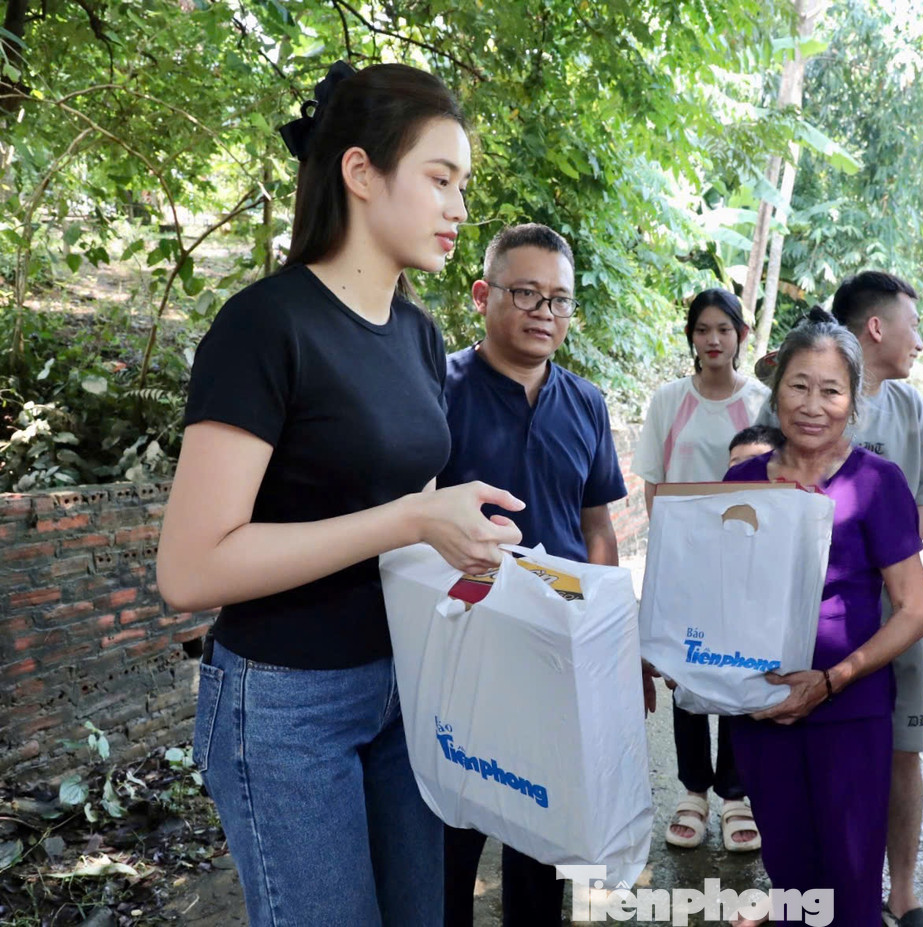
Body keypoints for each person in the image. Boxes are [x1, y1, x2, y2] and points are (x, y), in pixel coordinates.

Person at [156, 62, 524, 926]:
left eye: (462, 186)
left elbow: (417, 513)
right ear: (361, 173)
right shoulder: (265, 326)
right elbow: (190, 568)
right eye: (440, 179)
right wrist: (408, 517)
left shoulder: (419, 335)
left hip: (403, 681)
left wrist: (459, 549)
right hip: (284, 703)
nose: (459, 210)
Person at [435, 224, 631, 926]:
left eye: (560, 300)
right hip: (462, 656)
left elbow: (596, 525)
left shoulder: (586, 404)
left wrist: (609, 636)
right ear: (483, 295)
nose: (545, 312)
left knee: (543, 835)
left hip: (555, 655)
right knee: (451, 835)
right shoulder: (439, 388)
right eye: (526, 293)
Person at [724, 309, 923, 927]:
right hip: (762, 706)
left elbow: (915, 610)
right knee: (790, 878)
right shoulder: (741, 480)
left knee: (849, 878)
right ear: (776, 389)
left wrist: (834, 678)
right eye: (798, 385)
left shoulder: (877, 483)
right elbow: (721, 592)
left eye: (831, 389)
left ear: (853, 400)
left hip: (849, 709)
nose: (813, 405)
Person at [816, 270, 923, 927]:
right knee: (827, 751)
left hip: (898, 610)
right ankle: (840, 885)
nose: (919, 340)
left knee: (905, 750)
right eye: (913, 325)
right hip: (818, 616)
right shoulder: (810, 397)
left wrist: (881, 569)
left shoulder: (915, 411)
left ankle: (902, 889)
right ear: (876, 327)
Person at [632, 287, 769, 852]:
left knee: (737, 671)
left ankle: (736, 794)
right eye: (703, 329)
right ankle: (693, 791)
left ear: (740, 335)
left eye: (724, 329)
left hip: (746, 564)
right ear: (691, 337)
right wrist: (675, 556)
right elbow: (654, 486)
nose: (713, 340)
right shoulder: (669, 400)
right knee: (685, 672)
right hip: (685, 564)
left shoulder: (762, 400)